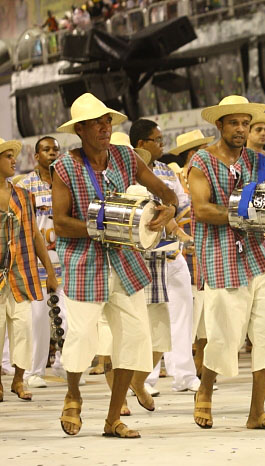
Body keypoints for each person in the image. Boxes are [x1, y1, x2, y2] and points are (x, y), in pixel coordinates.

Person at [53, 93, 177, 438]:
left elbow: (167, 194)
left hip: (125, 261)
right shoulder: (65, 167)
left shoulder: (126, 156)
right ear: (80, 129)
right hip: (84, 263)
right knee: (80, 336)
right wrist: (103, 225)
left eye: (107, 121)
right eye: (96, 122)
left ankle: (113, 419)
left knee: (135, 337)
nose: (105, 127)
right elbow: (61, 223)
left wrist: (168, 210)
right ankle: (73, 395)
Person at [188, 95, 265, 430]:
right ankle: (204, 390)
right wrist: (246, 216)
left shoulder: (259, 161)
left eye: (245, 123)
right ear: (219, 125)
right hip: (220, 257)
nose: (241, 129)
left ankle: (256, 413)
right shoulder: (201, 160)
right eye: (234, 122)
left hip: (257, 256)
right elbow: (202, 210)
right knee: (223, 337)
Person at [130, 122, 199, 395]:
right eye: (156, 140)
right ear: (141, 143)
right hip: (145, 257)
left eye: (162, 138)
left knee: (183, 315)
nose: (162, 144)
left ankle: (184, 374)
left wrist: (177, 223)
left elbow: (180, 205)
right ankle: (145, 378)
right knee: (148, 320)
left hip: (172, 253)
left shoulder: (166, 171)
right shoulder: (130, 172)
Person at [0, 137, 59, 402]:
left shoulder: (23, 195)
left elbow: (34, 234)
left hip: (22, 272)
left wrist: (49, 269)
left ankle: (18, 380)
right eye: (8, 157)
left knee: (23, 328)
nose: (14, 161)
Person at [15, 137, 67, 389]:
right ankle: (33, 372)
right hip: (38, 257)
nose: (52, 153)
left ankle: (63, 362)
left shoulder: (66, 182)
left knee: (67, 317)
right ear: (36, 156)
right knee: (37, 319)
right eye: (46, 150)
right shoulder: (26, 186)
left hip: (66, 255)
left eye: (55, 149)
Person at [168, 129, 214, 377]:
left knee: (206, 321)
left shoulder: (208, 178)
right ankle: (182, 371)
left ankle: (200, 371)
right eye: (202, 149)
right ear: (192, 153)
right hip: (182, 254)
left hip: (207, 253)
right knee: (186, 318)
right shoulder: (176, 178)